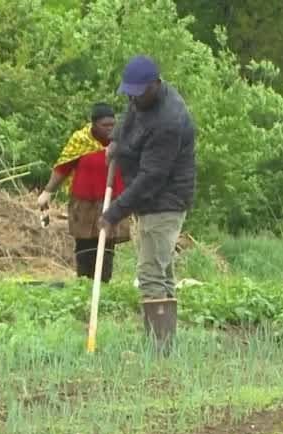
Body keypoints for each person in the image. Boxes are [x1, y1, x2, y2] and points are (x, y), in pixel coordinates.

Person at [99, 55, 196, 354]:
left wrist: (114, 212)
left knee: (151, 272)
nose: (132, 98)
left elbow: (151, 177)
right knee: (161, 271)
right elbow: (131, 117)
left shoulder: (169, 121)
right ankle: (164, 344)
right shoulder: (141, 100)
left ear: (155, 84)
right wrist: (116, 141)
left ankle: (158, 349)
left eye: (138, 93)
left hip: (165, 201)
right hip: (153, 199)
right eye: (129, 92)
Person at [37, 103, 131, 283]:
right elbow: (63, 167)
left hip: (112, 201)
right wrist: (48, 192)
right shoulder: (80, 140)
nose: (109, 129)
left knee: (107, 246)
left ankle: (103, 283)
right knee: (85, 244)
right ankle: (83, 282)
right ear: (94, 124)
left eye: (113, 125)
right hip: (83, 201)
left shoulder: (121, 141)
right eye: (105, 125)